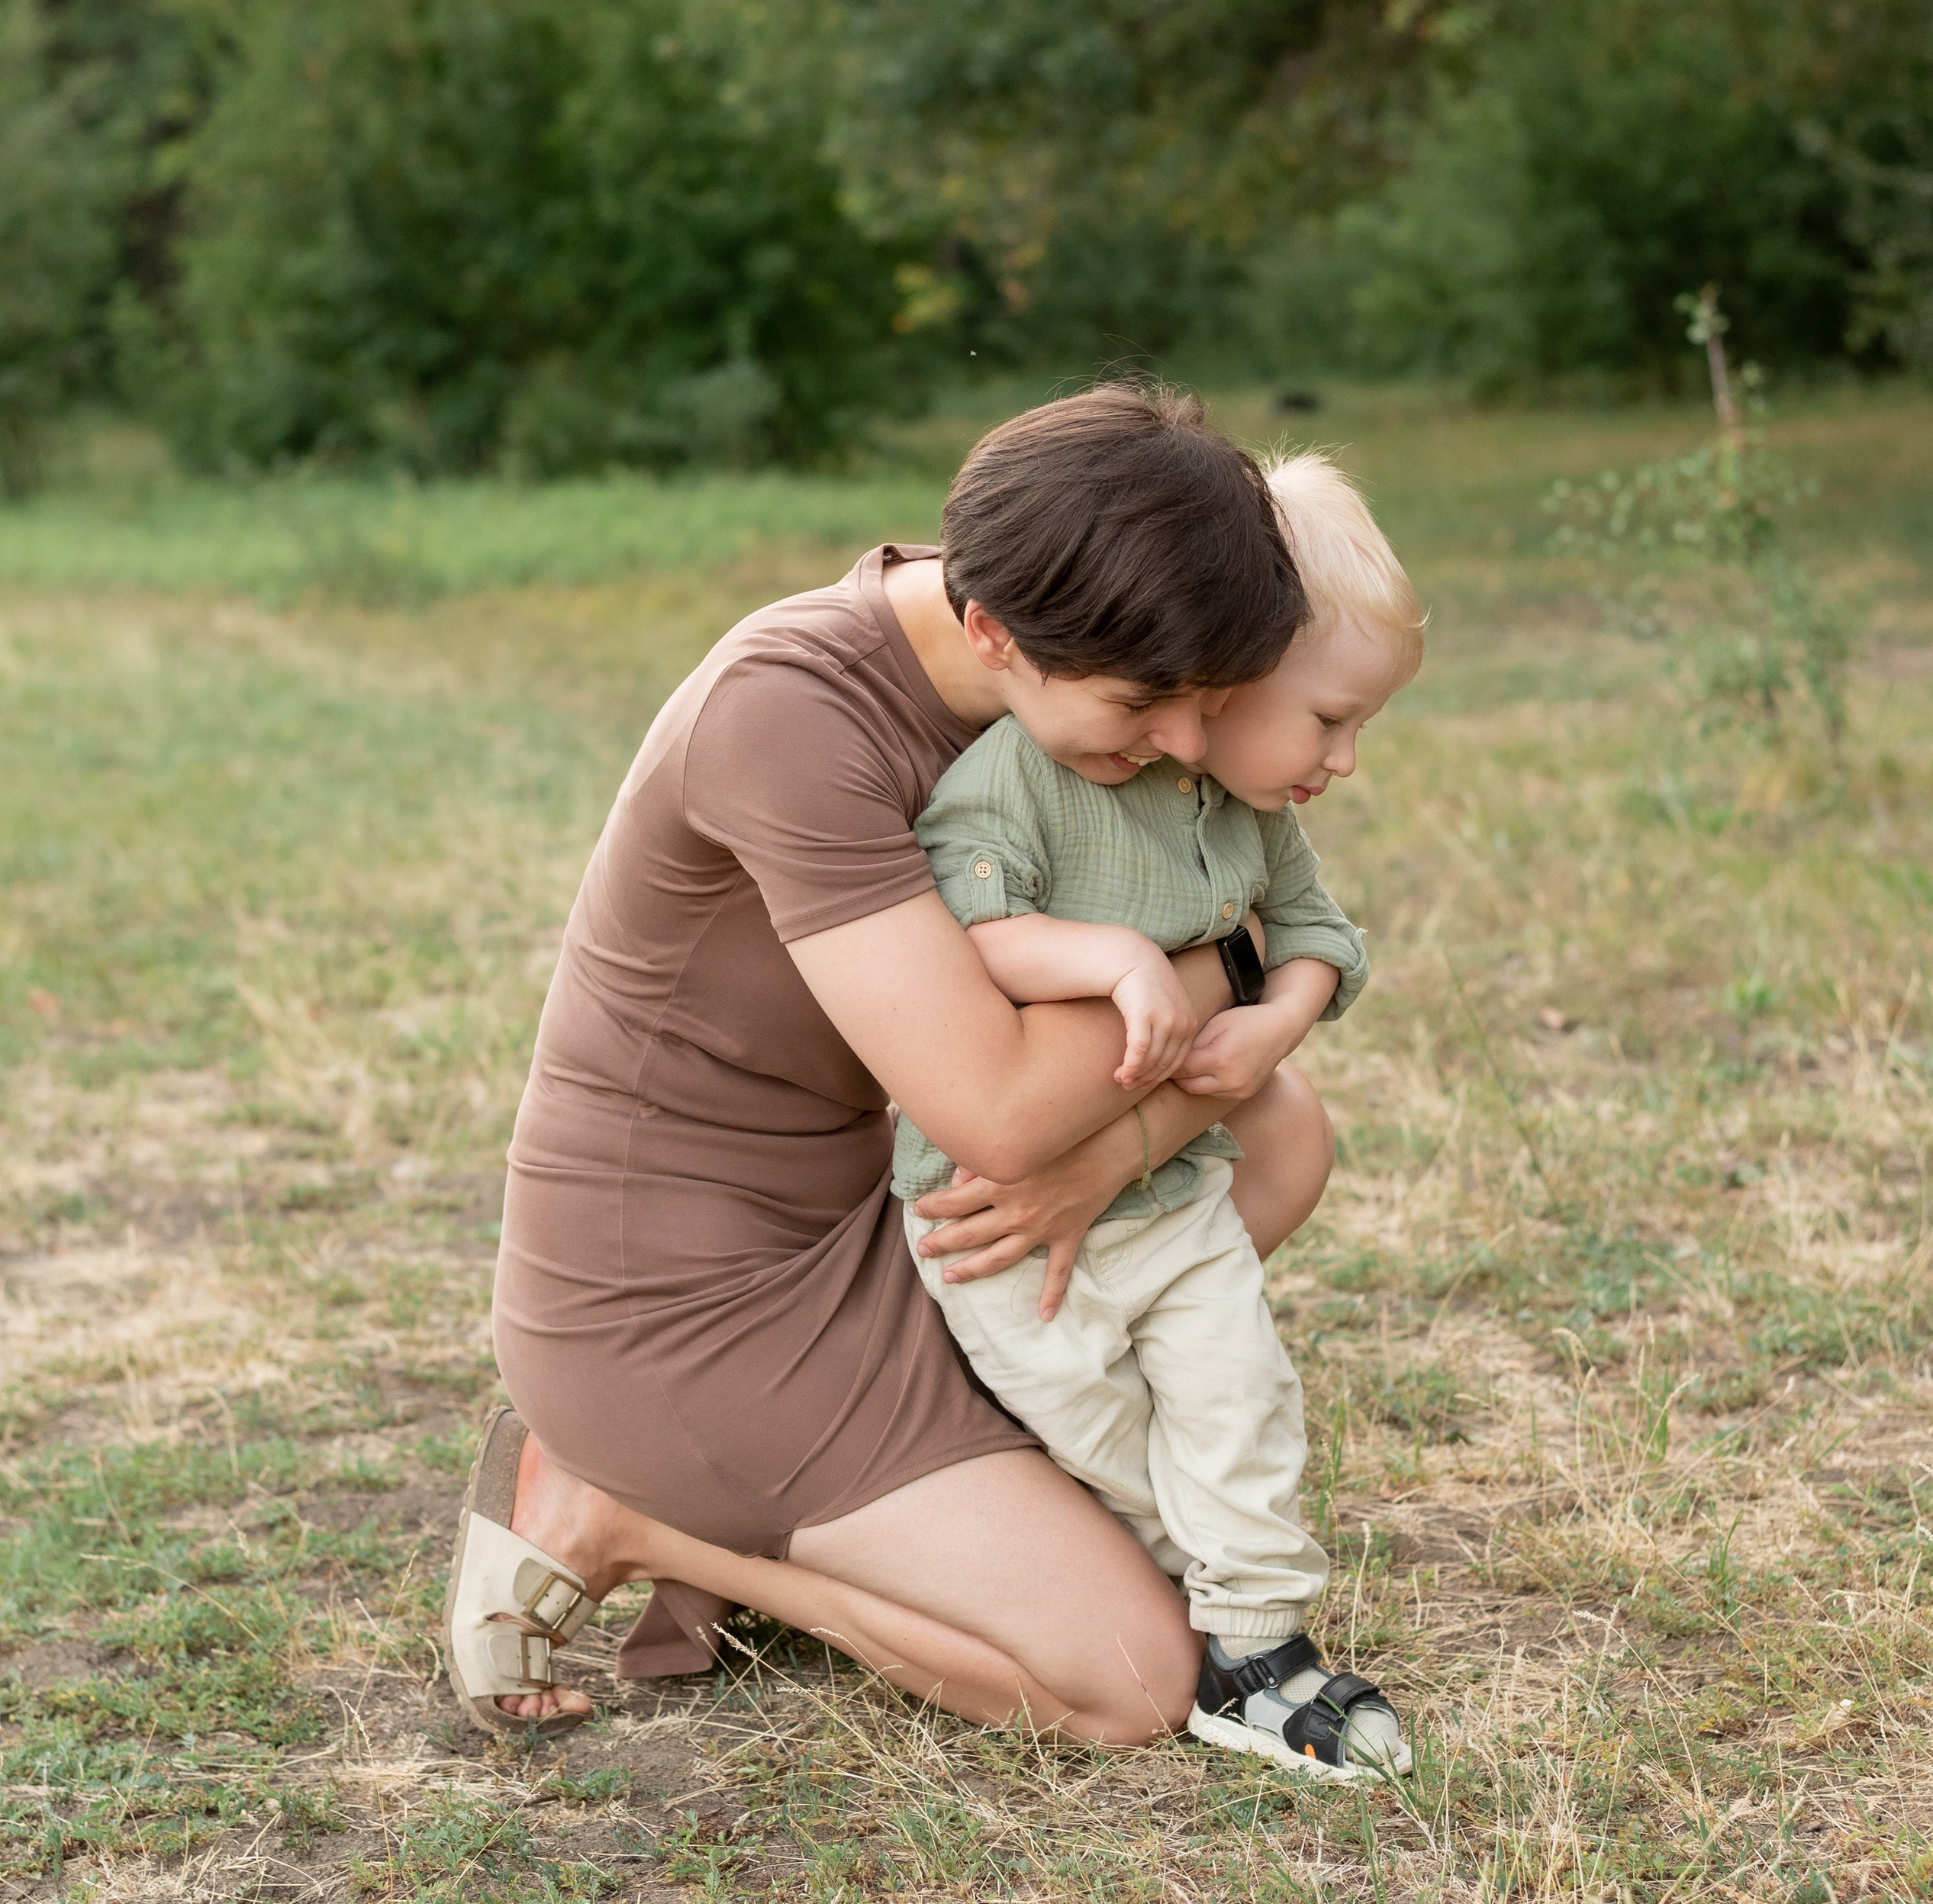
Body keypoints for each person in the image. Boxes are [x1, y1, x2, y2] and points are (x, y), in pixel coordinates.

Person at [443, 385, 1339, 1749]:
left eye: (1208, 705)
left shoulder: (1053, 665)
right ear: (993, 631)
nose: (1184, 749)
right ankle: (631, 1511)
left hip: (880, 1222)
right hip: (681, 1297)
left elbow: (1193, 983)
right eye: (1149, 708)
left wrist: (1120, 1136)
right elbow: (997, 1106)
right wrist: (1237, 964)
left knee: (1279, 1128)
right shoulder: (792, 718)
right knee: (1132, 1682)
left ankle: (954, 1487)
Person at [895, 451, 1424, 1780]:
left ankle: (1257, 1641)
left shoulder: (1237, 812)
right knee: (1101, 1439)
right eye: (1330, 721)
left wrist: (1281, 1014)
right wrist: (1117, 960)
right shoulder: (1020, 778)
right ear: (1230, 680)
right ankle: (1159, 1591)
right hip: (999, 1227)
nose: (1345, 760)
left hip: (1173, 1193)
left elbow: (1314, 934)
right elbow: (968, 941)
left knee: (1239, 1400)